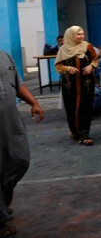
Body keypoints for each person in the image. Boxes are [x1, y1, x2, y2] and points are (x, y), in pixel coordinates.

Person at [0, 50, 44, 237]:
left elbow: (17, 84)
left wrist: (33, 102)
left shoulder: (4, 56)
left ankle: (1, 203)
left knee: (20, 159)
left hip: (10, 122)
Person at [55, 26, 100, 146]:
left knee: (86, 108)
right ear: (71, 35)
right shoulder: (64, 49)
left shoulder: (87, 46)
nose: (81, 36)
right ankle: (75, 132)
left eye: (82, 34)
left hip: (86, 84)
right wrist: (68, 68)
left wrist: (91, 67)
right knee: (71, 108)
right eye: (78, 34)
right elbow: (58, 66)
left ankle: (84, 134)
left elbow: (95, 59)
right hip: (70, 85)